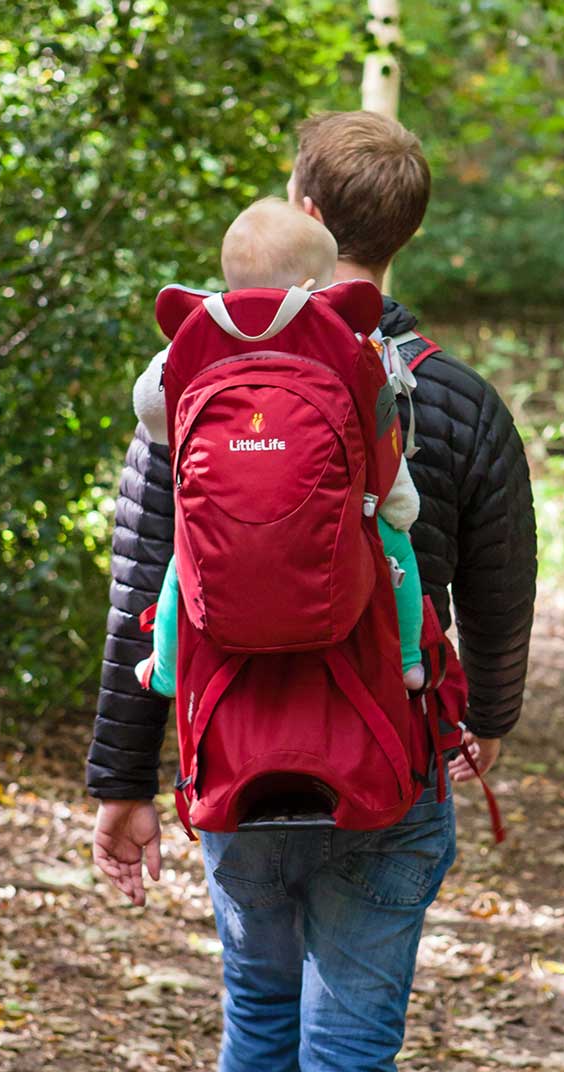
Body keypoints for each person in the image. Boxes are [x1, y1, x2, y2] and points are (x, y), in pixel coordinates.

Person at [88, 110, 537, 1072]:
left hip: (235, 754)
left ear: (304, 211)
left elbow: (143, 581)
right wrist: (488, 714)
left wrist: (122, 775)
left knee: (259, 1019)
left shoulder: (190, 383)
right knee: (347, 1053)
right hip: (389, 748)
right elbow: (502, 583)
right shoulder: (454, 399)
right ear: (403, 233)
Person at [127, 196, 424, 698]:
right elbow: (379, 439)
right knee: (395, 544)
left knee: (183, 560)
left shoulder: (199, 337)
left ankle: (167, 671)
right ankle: (408, 661)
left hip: (221, 524)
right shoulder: (347, 339)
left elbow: (150, 410)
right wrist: (400, 506)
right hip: (331, 523)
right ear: (312, 286)